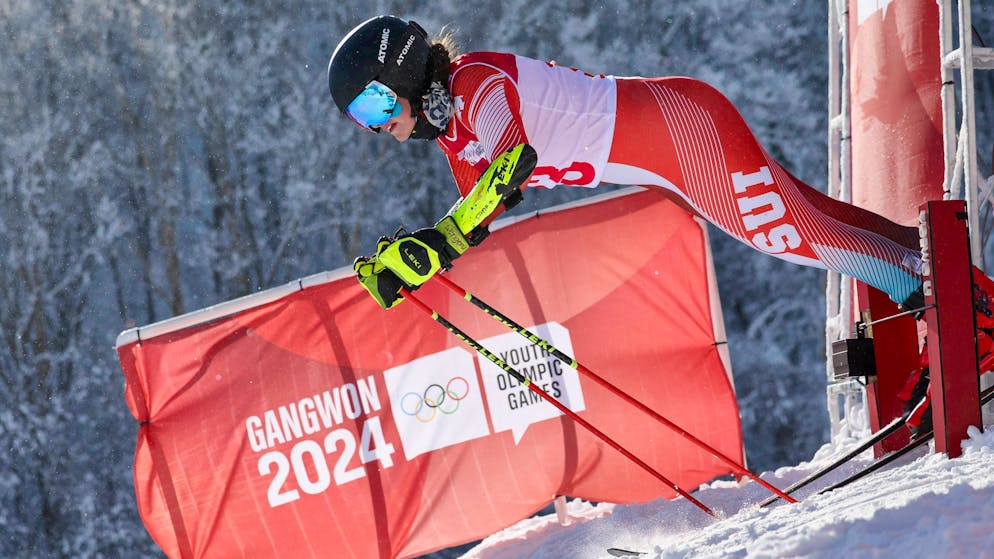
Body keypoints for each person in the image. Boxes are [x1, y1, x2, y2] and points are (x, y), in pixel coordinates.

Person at [327, 15, 931, 314]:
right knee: (806, 219)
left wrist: (442, 241)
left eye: (375, 101)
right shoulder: (452, 134)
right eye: (359, 117)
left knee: (788, 235)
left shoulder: (476, 83)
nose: (376, 123)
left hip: (682, 129)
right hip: (672, 142)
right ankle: (933, 267)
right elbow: (475, 217)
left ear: (403, 71)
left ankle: (944, 302)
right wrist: (417, 264)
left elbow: (511, 167)